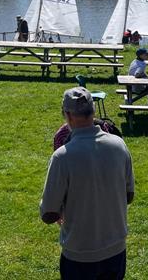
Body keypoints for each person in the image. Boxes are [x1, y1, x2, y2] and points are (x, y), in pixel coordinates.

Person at [40, 87, 134, 279]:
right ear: (94, 111)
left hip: (79, 255)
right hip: (116, 250)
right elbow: (129, 195)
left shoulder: (62, 157)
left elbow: (48, 215)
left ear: (67, 115)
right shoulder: (119, 145)